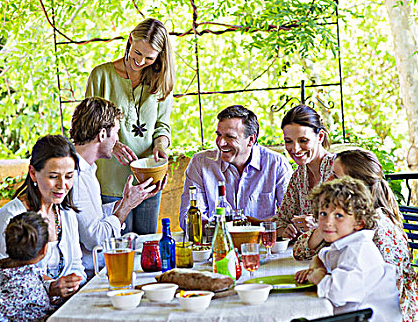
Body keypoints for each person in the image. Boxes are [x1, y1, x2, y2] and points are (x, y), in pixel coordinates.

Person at [293, 149, 418, 322]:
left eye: (335, 176)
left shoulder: (377, 228)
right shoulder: (344, 219)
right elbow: (302, 251)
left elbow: (381, 293)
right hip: (360, 311)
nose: (327, 180)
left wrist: (321, 275)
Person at [85, 18, 175, 235]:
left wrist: (161, 145)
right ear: (130, 41)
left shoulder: (161, 80)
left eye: (149, 58)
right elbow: (88, 126)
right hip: (111, 179)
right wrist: (112, 145)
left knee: (148, 244)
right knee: (118, 244)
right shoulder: (101, 76)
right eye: (137, 53)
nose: (141, 61)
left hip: (148, 177)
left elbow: (162, 126)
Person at [295, 177, 402, 322]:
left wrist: (318, 276)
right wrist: (317, 266)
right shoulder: (347, 244)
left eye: (339, 215)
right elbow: (322, 256)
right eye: (323, 213)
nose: (328, 222)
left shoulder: (360, 252)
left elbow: (337, 292)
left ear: (359, 222)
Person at [69, 97, 167, 278]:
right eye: (116, 133)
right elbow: (96, 239)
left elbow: (93, 216)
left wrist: (132, 199)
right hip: (90, 275)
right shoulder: (75, 175)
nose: (117, 140)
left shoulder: (88, 168)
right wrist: (126, 206)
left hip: (99, 268)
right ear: (102, 134)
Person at [0, 135, 86, 309]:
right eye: (54, 176)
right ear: (33, 173)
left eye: (69, 176)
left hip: (62, 309)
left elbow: (76, 265)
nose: (62, 185)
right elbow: (4, 278)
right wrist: (51, 287)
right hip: (20, 319)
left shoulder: (66, 214)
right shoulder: (12, 216)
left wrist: (73, 282)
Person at [179, 105, 292, 227]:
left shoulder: (277, 164)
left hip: (261, 243)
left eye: (230, 137)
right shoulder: (200, 163)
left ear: (251, 140)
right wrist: (221, 226)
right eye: (219, 135)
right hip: (216, 242)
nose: (221, 143)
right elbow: (187, 219)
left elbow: (289, 217)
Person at [0, 212, 56, 322]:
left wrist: (53, 284)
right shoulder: (20, 285)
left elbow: (38, 277)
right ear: (44, 250)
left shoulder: (18, 268)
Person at [275, 104, 335, 239]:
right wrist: (286, 230)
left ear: (320, 137)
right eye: (288, 141)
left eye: (303, 140)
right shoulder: (298, 175)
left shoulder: (339, 169)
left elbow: (358, 221)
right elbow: (280, 220)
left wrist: (319, 225)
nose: (295, 149)